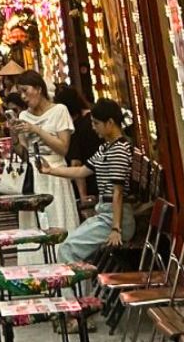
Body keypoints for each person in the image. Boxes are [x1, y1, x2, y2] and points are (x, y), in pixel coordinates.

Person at [39, 99, 135, 263]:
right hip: (106, 213)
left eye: (96, 123)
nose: (93, 127)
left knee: (67, 250)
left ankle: (79, 289)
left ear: (110, 123)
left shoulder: (118, 150)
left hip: (114, 218)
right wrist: (51, 170)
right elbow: (83, 171)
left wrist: (116, 228)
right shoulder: (106, 147)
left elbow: (117, 192)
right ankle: (81, 287)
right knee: (68, 246)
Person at [7, 71, 78, 233]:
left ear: (38, 89)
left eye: (26, 91)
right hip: (33, 174)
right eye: (20, 93)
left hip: (56, 171)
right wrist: (14, 135)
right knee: (35, 223)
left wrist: (36, 130)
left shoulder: (60, 110)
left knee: (58, 217)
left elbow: (63, 148)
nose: (23, 97)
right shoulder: (24, 115)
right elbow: (24, 154)